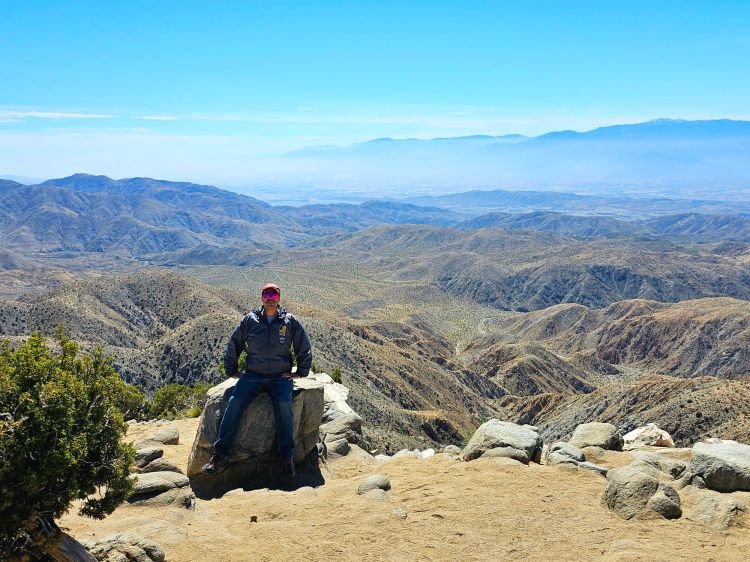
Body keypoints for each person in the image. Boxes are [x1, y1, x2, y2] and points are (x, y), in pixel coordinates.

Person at [202, 282, 312, 476]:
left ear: (279, 298)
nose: (270, 298)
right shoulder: (250, 320)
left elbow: (303, 345)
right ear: (262, 298)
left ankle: (286, 458)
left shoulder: (289, 321)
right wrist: (231, 370)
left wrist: (300, 372)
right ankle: (220, 455)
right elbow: (234, 343)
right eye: (267, 294)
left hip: (280, 376)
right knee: (234, 403)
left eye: (274, 295)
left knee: (284, 406)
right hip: (253, 375)